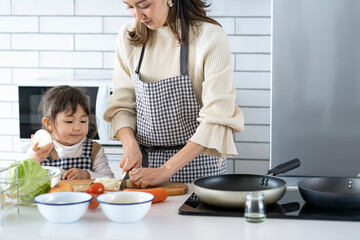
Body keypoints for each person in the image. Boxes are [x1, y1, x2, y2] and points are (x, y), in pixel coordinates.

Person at [103, 0, 244, 187]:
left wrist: (166, 170)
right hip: (143, 168)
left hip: (199, 167)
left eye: (144, 5)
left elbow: (216, 118)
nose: (137, 15)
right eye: (129, 6)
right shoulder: (129, 35)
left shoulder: (209, 36)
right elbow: (121, 104)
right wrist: (130, 146)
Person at [25, 85, 114, 180]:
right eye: (69, 121)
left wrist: (88, 175)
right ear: (49, 123)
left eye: (83, 121)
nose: (77, 128)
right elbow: (18, 178)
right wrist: (33, 159)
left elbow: (110, 180)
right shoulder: (40, 149)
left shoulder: (95, 150)